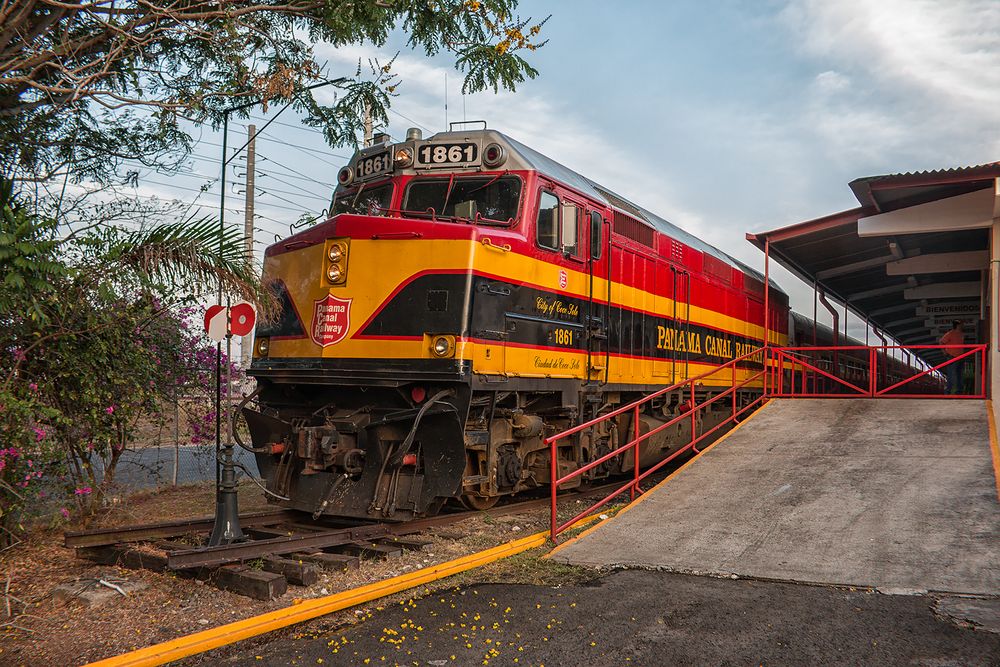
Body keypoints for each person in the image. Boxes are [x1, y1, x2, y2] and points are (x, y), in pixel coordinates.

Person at [939, 320, 966, 395]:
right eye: (961, 324)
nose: (963, 325)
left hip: (961, 357)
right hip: (952, 357)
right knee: (951, 375)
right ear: (958, 325)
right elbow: (941, 342)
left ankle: (959, 391)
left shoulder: (961, 334)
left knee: (960, 375)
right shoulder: (950, 333)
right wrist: (944, 352)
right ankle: (948, 391)